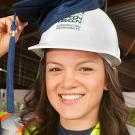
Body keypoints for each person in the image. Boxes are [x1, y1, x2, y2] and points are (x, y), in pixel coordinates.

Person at [0, 4, 135, 135]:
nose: (68, 83)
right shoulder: (14, 130)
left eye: (85, 69)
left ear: (108, 78)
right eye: (55, 69)